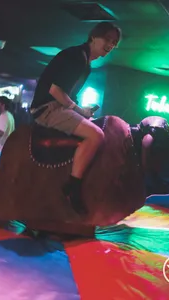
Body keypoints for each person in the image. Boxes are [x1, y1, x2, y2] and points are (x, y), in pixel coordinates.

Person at [30, 22, 121, 215]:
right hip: (46, 109)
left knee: (95, 130)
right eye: (107, 39)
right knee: (96, 136)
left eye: (114, 42)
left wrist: (82, 111)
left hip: (56, 106)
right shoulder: (77, 57)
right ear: (94, 37)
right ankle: (73, 187)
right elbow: (55, 90)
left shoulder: (85, 63)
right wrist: (78, 109)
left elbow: (67, 94)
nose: (110, 45)